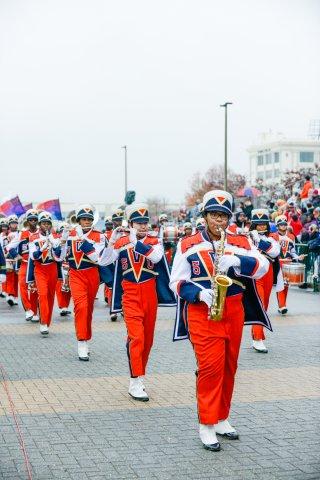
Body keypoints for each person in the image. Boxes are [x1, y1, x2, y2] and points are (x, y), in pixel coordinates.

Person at [170, 190, 271, 452]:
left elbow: (263, 267)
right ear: (204, 216)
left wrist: (236, 259)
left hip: (234, 309)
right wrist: (198, 293)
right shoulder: (187, 243)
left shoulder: (239, 240)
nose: (220, 222)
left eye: (224, 217)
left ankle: (222, 417)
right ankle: (206, 423)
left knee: (229, 366)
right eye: (215, 215)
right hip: (202, 312)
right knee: (210, 368)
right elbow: (175, 281)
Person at [99, 203, 175, 401]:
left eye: (144, 222)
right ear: (130, 223)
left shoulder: (153, 241)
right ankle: (135, 381)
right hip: (130, 294)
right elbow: (104, 261)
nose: (142, 226)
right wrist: (112, 241)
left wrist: (135, 241)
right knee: (137, 337)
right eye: (138, 223)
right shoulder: (121, 241)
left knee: (148, 340)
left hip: (150, 294)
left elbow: (157, 257)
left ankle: (139, 375)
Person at [60, 205, 105, 360]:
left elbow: (96, 258)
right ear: (78, 220)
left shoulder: (99, 236)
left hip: (91, 274)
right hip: (75, 275)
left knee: (89, 310)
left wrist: (82, 238)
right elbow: (59, 257)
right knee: (81, 307)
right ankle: (81, 342)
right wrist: (62, 240)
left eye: (89, 219)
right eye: (83, 219)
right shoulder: (71, 233)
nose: (86, 222)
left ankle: (86, 337)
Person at [249, 210, 281, 353]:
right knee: (259, 304)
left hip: (268, 272)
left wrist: (259, 241)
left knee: (265, 305)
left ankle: (256, 334)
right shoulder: (247, 237)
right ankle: (258, 339)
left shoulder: (272, 237)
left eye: (263, 225)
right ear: (253, 225)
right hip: (255, 273)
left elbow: (274, 252)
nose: (261, 227)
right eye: (258, 225)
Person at [28, 212, 62, 335]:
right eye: (43, 223)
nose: (46, 225)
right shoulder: (34, 237)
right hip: (40, 268)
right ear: (40, 224)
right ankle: (43, 323)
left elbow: (59, 256)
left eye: (48, 223)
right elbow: (33, 256)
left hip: (52, 267)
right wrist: (43, 248)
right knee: (42, 294)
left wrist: (53, 243)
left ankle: (47, 321)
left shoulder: (55, 236)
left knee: (50, 297)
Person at [5, 209, 39, 321]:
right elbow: (9, 247)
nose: (33, 221)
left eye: (35, 219)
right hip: (24, 264)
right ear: (27, 221)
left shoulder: (41, 233)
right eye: (31, 220)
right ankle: (28, 310)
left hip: (37, 265)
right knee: (23, 287)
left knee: (34, 289)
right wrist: (16, 256)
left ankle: (34, 312)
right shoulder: (21, 234)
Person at [271, 215, 305, 314]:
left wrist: (298, 257)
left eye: (284, 224)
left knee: (286, 285)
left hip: (288, 263)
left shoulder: (291, 236)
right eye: (281, 224)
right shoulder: (272, 236)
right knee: (280, 284)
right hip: (277, 262)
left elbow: (293, 251)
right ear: (277, 226)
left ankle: (283, 305)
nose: (283, 226)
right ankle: (282, 305)